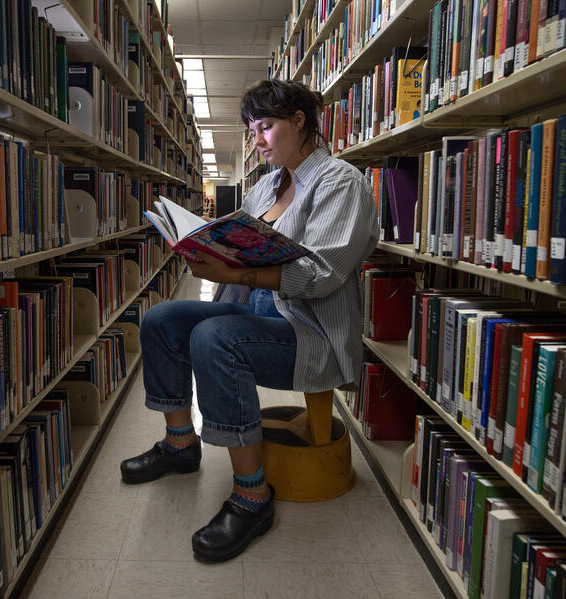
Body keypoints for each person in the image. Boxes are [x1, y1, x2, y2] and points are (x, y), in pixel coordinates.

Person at [119, 79, 379, 562]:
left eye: (265, 127)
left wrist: (240, 270)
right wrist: (204, 246)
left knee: (216, 337)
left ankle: (252, 496)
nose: (258, 140)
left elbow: (321, 275)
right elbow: (237, 239)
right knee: (162, 318)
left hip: (311, 332)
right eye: (252, 130)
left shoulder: (341, 183)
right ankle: (180, 443)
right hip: (260, 310)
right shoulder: (267, 184)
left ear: (300, 122)